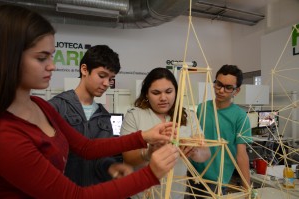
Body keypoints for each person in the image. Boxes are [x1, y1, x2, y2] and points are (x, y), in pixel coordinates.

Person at [0, 4, 180, 199]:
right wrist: (151, 173)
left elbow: (87, 147)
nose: (52, 66)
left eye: (51, 56)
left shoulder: (39, 105)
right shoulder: (7, 135)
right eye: (42, 58)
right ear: (10, 56)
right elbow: (73, 195)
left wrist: (143, 136)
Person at [49, 45, 133, 186]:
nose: (106, 84)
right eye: (102, 76)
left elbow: (103, 158)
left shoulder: (105, 118)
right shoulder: (57, 107)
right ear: (84, 69)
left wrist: (111, 167)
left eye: (111, 79)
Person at [120, 67, 211, 198]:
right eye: (156, 93)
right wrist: (148, 153)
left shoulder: (188, 116)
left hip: (176, 194)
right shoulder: (134, 115)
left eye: (169, 91)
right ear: (146, 94)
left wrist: (195, 151)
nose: (163, 98)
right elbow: (128, 157)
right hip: (142, 195)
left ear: (176, 92)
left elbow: (206, 152)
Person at [186, 64, 252, 198]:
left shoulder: (240, 117)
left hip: (216, 180)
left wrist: (247, 189)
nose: (221, 90)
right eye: (218, 84)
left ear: (236, 91)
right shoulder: (202, 108)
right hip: (192, 174)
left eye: (228, 88)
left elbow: (242, 155)